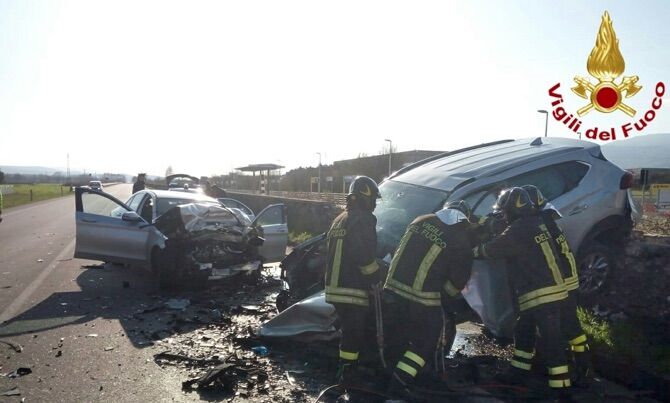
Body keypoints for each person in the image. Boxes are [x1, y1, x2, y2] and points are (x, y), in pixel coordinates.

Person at [473, 187, 572, 396]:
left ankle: (560, 390)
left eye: (505, 212)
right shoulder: (535, 223)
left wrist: (470, 251)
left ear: (512, 211)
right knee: (524, 331)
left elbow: (493, 249)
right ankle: (518, 371)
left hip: (542, 294)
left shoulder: (519, 230)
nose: (503, 216)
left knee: (551, 342)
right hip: (548, 291)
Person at [383, 200, 475, 399]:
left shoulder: (420, 220)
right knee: (423, 343)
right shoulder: (460, 238)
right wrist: (446, 299)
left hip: (392, 290)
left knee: (398, 335)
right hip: (422, 298)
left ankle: (385, 373)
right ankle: (399, 383)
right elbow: (458, 281)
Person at [522, 185, 592, 387]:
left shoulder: (539, 223)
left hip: (562, 285)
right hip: (570, 282)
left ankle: (563, 382)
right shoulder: (549, 219)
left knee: (557, 331)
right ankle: (583, 367)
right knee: (573, 328)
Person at [324, 176, 381, 386]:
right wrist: (376, 279)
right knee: (353, 334)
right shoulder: (364, 219)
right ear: (365, 197)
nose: (374, 203)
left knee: (350, 329)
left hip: (334, 287)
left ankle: (349, 368)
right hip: (352, 288)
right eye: (373, 198)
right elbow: (363, 256)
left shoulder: (340, 218)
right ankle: (347, 376)